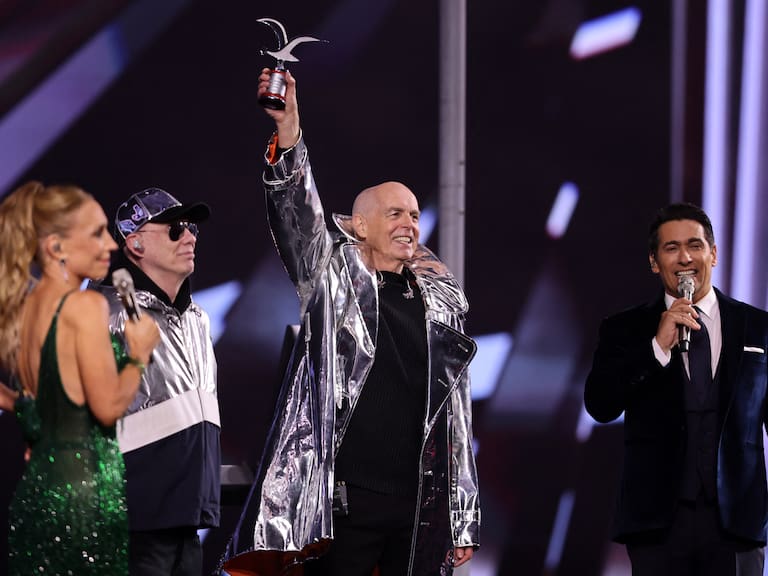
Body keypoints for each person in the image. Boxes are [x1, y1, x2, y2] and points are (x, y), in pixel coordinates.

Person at [218, 70, 480, 576]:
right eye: (395, 214)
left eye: (415, 215)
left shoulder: (441, 302)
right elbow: (296, 211)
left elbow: (457, 416)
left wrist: (462, 515)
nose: (409, 224)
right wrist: (289, 126)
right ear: (360, 225)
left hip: (417, 503)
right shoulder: (332, 277)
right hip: (346, 499)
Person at [584, 203, 768, 575]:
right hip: (657, 523)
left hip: (737, 520)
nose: (685, 257)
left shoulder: (757, 326)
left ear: (713, 254)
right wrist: (656, 348)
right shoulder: (625, 328)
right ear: (654, 262)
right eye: (671, 248)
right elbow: (600, 404)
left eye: (695, 245)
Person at [0, 181, 159, 574]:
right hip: (84, 498)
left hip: (37, 493)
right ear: (56, 248)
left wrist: (35, 423)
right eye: (97, 233)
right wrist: (137, 357)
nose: (109, 244)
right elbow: (107, 409)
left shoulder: (23, 309)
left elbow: (34, 400)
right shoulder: (85, 306)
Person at [91, 187, 220, 576]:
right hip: (134, 515)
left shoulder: (198, 318)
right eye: (175, 228)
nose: (190, 236)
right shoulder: (103, 309)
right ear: (135, 243)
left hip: (189, 512)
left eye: (193, 228)